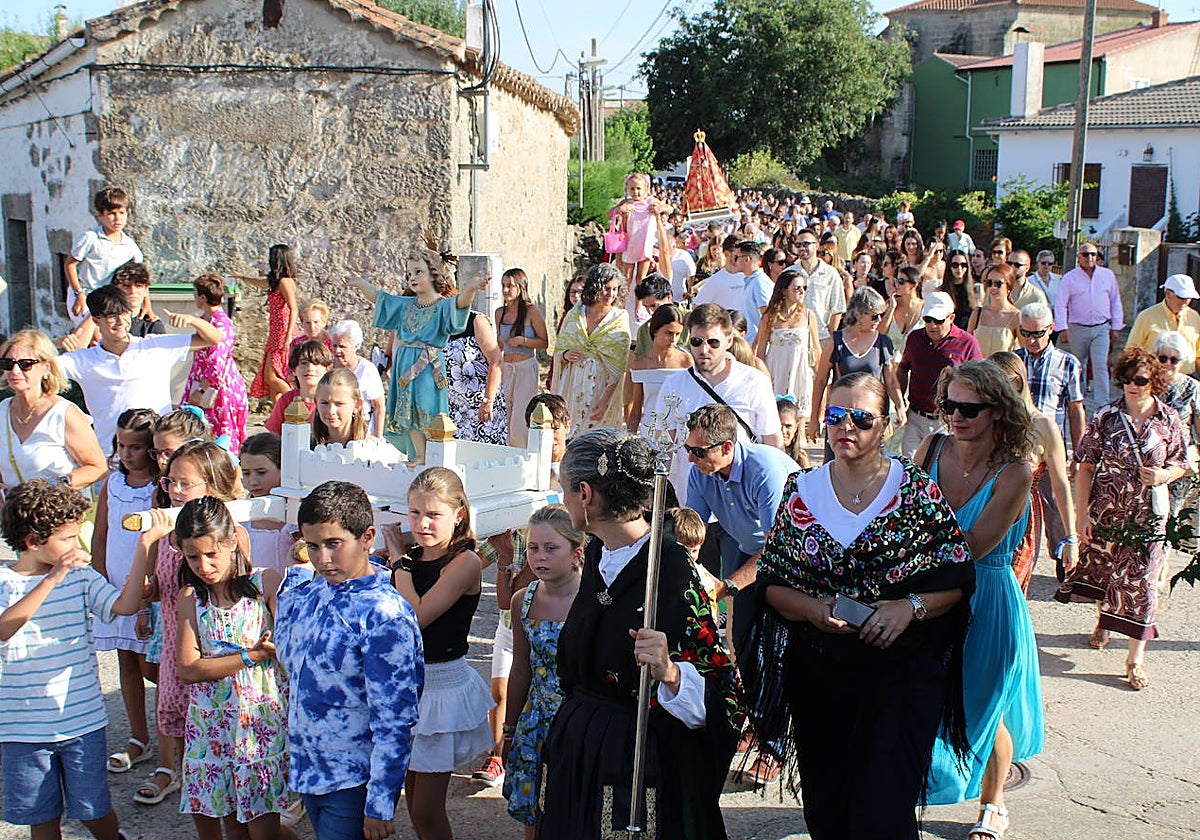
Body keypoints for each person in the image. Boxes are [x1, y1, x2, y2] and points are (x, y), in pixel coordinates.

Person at [741, 372, 975, 840]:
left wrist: (908, 607)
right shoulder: (800, 490)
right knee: (829, 810)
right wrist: (811, 609)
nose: (846, 427)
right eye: (834, 416)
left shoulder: (915, 492)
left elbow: (957, 577)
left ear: (885, 425)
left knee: (882, 812)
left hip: (900, 674)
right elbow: (769, 585)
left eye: (861, 418)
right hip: (821, 676)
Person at [536, 429, 740, 838]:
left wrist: (671, 673)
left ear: (586, 495)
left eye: (564, 490)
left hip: (636, 762)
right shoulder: (595, 554)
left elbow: (725, 695)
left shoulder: (669, 570)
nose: (562, 499)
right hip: (579, 753)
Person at [918, 361, 1044, 840]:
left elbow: (974, 546)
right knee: (921, 692)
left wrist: (909, 537)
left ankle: (993, 804)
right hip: (927, 589)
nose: (956, 416)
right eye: (949, 404)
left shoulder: (1015, 473)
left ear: (997, 412)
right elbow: (900, 505)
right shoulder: (932, 447)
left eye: (969, 408)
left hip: (987, 598)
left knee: (985, 709)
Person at [0, 479, 148, 840]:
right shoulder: (6, 580)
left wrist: (145, 545)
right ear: (34, 542)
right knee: (42, 818)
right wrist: (53, 578)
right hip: (21, 729)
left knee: (94, 809)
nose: (75, 545)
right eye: (67, 538)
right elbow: (4, 629)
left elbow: (124, 606)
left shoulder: (81, 577)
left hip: (81, 721)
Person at [275, 481, 423, 840]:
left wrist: (380, 802)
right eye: (312, 546)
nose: (322, 558)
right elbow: (289, 662)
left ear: (367, 537)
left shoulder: (384, 616)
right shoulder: (312, 590)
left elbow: (395, 718)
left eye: (333, 544)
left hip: (352, 779)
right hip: (309, 768)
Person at [1055, 348, 1187, 691]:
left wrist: (1163, 475)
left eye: (1140, 380)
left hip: (1149, 519)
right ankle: (1104, 619)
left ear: (1153, 382)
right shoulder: (1106, 416)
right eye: (1127, 379)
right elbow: (1085, 465)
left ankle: (1134, 659)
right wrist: (1081, 513)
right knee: (1106, 570)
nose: (1133, 385)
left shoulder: (1169, 420)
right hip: (1106, 512)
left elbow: (1184, 462)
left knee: (1142, 584)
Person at [133, 440, 243, 807]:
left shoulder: (230, 536)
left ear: (212, 486)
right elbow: (146, 592)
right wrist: (145, 546)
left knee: (221, 745)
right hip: (174, 646)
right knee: (186, 737)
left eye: (185, 483)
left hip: (216, 656)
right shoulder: (166, 535)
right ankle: (181, 778)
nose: (175, 491)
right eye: (170, 482)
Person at [174, 497, 290, 838]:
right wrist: (250, 657)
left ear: (231, 543)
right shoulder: (191, 598)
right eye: (192, 556)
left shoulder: (265, 583)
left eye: (212, 554)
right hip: (211, 724)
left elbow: (287, 649)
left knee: (263, 827)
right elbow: (188, 668)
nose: (203, 565)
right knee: (229, 823)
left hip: (259, 724)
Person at [391, 468, 493, 840]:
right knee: (414, 801)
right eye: (415, 513)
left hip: (442, 688)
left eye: (433, 514)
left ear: (459, 514)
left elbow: (415, 617)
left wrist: (400, 564)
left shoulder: (465, 561)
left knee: (426, 808)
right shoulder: (413, 555)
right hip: (408, 686)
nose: (422, 523)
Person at [350, 240, 485, 462]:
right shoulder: (407, 305)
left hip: (428, 367)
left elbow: (460, 304)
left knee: (426, 407)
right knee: (408, 409)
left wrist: (470, 288)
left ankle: (432, 453)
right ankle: (418, 453)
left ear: (433, 274)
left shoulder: (442, 305)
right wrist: (361, 284)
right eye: (409, 273)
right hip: (405, 364)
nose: (411, 277)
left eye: (418, 272)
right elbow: (382, 299)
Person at [58, 285, 221, 458]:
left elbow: (213, 338)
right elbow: (36, 364)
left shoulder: (155, 346)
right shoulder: (83, 360)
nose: (121, 322)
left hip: (158, 455)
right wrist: (57, 342)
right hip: (112, 457)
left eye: (125, 314)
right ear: (97, 320)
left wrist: (192, 320)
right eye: (113, 316)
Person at [501, 505, 586, 839]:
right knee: (534, 811)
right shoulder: (523, 600)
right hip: (537, 722)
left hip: (581, 720)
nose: (540, 557)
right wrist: (509, 730)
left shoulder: (594, 600)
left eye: (551, 548)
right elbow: (521, 669)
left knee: (576, 809)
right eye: (533, 548)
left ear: (576, 553)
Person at [655, 304, 782, 504]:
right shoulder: (673, 385)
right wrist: (658, 496)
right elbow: (663, 445)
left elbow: (772, 441)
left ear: (729, 340)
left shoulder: (754, 381)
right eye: (697, 342)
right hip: (691, 501)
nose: (704, 350)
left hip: (743, 501)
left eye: (713, 342)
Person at [92, 408, 159, 776]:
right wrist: (100, 580)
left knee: (153, 665)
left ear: (151, 449)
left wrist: (148, 591)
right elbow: (101, 535)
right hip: (115, 588)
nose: (127, 453)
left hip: (146, 590)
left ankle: (171, 734)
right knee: (126, 664)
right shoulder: (112, 484)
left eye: (135, 446)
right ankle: (138, 737)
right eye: (121, 445)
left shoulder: (158, 489)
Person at [989, 352, 1079, 591]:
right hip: (984, 511)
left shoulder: (1044, 426)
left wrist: (1070, 538)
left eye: (994, 383)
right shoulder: (985, 421)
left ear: (1016, 382)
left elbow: (1061, 485)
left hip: (1022, 519)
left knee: (1011, 588)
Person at [1015, 302, 1086, 578]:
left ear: (1051, 330)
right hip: (1020, 446)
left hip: (1050, 446)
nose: (1032, 340)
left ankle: (1061, 552)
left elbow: (1076, 409)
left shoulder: (1068, 363)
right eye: (1026, 333)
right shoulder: (1014, 360)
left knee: (1056, 503)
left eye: (1038, 333)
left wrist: (1079, 453)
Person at [0, 330, 107, 494]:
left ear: (46, 367)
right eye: (8, 364)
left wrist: (53, 487)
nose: (15, 371)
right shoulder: (3, 411)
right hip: (15, 516)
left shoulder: (63, 414)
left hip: (58, 514)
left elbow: (98, 468)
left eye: (25, 364)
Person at [808, 287, 906, 447]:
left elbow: (891, 381)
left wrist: (899, 407)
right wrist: (814, 419)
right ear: (859, 314)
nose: (879, 320)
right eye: (875, 316)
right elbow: (820, 381)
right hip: (841, 417)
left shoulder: (882, 342)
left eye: (882, 315)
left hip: (869, 418)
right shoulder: (836, 341)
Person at [898, 291, 983, 457]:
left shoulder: (967, 343)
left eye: (938, 320)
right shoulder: (915, 338)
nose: (932, 325)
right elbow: (902, 368)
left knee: (941, 469)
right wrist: (899, 401)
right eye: (927, 320)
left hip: (947, 420)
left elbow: (978, 381)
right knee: (910, 470)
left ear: (951, 318)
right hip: (915, 416)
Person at [552, 262, 631, 432]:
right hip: (572, 382)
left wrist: (604, 403)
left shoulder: (619, 318)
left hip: (600, 385)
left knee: (594, 437)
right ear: (595, 287)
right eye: (606, 288)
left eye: (615, 289)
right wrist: (565, 355)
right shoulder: (576, 312)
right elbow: (560, 347)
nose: (611, 294)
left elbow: (618, 367)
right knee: (567, 430)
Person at [1055, 242, 1124, 413]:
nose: (1089, 258)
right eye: (1085, 254)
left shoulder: (1107, 276)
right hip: (1078, 327)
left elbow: (1115, 301)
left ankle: (1103, 404)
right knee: (1078, 365)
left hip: (1101, 328)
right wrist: (1062, 328)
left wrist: (1116, 326)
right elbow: (1061, 304)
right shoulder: (1070, 278)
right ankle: (1078, 400)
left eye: (1093, 254)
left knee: (1100, 364)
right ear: (1079, 257)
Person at [184, 273, 249, 454]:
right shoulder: (206, 320)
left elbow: (216, 363)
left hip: (217, 389)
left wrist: (201, 391)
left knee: (219, 437)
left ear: (202, 297)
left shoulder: (220, 323)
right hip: (206, 383)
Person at [65, 186, 143, 325]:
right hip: (86, 295)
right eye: (112, 213)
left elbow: (141, 276)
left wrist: (146, 304)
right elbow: (70, 265)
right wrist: (79, 294)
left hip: (108, 300)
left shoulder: (130, 246)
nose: (117, 218)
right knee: (90, 333)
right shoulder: (90, 238)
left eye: (122, 213)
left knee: (105, 337)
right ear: (100, 215)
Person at [1154, 331, 1200, 562]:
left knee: (1168, 517)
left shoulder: (1193, 388)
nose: (1168, 364)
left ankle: (1159, 572)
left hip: (1178, 466)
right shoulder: (1146, 383)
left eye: (1175, 359)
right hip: (1149, 463)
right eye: (1163, 358)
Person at [753, 268, 820, 424]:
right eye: (796, 288)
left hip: (800, 369)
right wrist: (763, 376)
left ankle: (800, 439)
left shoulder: (808, 315)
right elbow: (761, 350)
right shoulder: (769, 317)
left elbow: (816, 348)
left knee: (800, 410)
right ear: (784, 290)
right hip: (776, 368)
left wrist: (820, 374)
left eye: (804, 288)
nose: (802, 292)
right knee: (776, 413)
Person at [237, 245, 300, 403]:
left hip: (282, 332)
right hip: (276, 333)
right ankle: (279, 417)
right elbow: (260, 282)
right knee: (273, 380)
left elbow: (293, 309)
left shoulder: (285, 282)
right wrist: (242, 277)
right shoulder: (277, 281)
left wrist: (287, 338)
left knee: (271, 377)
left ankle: (298, 402)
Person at [495, 269, 549, 448]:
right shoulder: (499, 313)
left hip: (525, 368)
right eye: (503, 285)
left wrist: (523, 340)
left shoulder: (531, 311)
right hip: (506, 369)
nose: (505, 290)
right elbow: (498, 343)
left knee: (520, 419)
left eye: (510, 286)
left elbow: (544, 342)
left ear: (521, 287)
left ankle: (522, 455)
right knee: (505, 417)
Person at [445, 304, 509, 446]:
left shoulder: (476, 321)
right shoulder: (436, 324)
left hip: (481, 406)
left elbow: (496, 360)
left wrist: (488, 400)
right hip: (451, 409)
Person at [627, 303, 691, 435]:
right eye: (668, 333)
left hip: (678, 433)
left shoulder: (686, 362)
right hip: (648, 431)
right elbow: (636, 408)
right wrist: (630, 437)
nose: (673, 339)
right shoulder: (640, 363)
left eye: (678, 334)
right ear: (655, 330)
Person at [1127, 273, 1200, 376]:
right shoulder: (1146, 317)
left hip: (1186, 379)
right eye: (1181, 297)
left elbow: (1198, 354)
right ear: (1168, 293)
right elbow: (1131, 352)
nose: (1186, 302)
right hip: (1155, 378)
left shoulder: (1194, 317)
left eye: (1189, 298)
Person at [329, 319, 386, 438]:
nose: (337, 351)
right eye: (334, 345)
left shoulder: (367, 369)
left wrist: (378, 438)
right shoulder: (329, 367)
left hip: (362, 429)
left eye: (342, 346)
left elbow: (379, 406)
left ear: (355, 346)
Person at [264, 340, 333, 436]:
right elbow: (274, 435)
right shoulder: (286, 400)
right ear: (294, 370)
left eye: (316, 363)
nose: (310, 368)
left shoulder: (332, 400)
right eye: (303, 363)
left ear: (327, 369)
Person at [612, 173, 667, 291]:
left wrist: (660, 209)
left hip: (645, 244)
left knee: (641, 278)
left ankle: (639, 305)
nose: (635, 192)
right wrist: (619, 210)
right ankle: (622, 302)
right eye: (632, 188)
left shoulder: (651, 201)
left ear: (646, 189)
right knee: (626, 277)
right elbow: (609, 214)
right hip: (630, 244)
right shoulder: (627, 203)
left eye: (638, 188)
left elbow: (669, 208)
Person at [968, 262, 1020, 356]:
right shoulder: (977, 313)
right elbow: (967, 348)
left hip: (1002, 369)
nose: (993, 287)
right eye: (989, 283)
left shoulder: (1016, 316)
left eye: (998, 283)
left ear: (1009, 286)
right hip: (977, 369)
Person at [312, 368, 370, 447]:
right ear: (316, 402)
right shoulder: (305, 446)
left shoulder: (374, 449)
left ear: (357, 405)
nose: (331, 411)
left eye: (339, 404)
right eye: (324, 403)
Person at [887, 266, 924, 358]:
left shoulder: (926, 307)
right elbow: (880, 331)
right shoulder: (890, 304)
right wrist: (891, 308)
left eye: (901, 281)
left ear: (914, 285)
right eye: (896, 280)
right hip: (890, 363)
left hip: (916, 361)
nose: (897, 284)